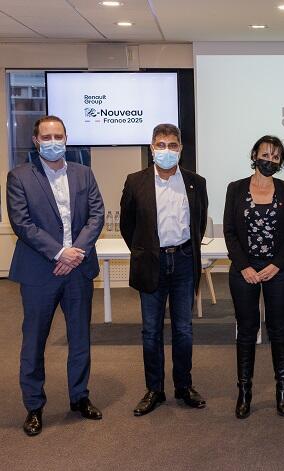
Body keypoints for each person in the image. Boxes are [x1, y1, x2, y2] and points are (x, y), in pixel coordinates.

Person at [6, 115, 105, 436]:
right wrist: (60, 253)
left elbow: (96, 215)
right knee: (34, 341)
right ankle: (34, 406)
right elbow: (22, 223)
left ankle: (79, 397)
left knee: (80, 339)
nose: (53, 142)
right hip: (40, 272)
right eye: (46, 137)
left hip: (78, 270)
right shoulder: (19, 177)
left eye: (58, 136)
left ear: (66, 138)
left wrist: (76, 252)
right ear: (36, 141)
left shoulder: (83, 173)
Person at [120, 123, 209, 416]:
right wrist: (145, 250)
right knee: (151, 331)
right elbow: (128, 225)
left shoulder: (196, 182)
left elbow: (198, 224)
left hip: (183, 261)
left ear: (180, 149)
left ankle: (184, 386)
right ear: (152, 148)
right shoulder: (136, 182)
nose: (166, 150)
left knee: (183, 330)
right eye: (161, 145)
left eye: (172, 145)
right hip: (152, 263)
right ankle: (154, 390)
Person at [224, 135, 284, 419]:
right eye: (265, 154)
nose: (270, 160)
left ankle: (282, 390)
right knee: (246, 330)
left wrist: (277, 265)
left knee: (279, 330)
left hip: (277, 270)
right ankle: (244, 392)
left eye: (276, 157)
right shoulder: (235, 188)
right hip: (244, 270)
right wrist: (243, 266)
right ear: (254, 155)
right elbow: (230, 232)